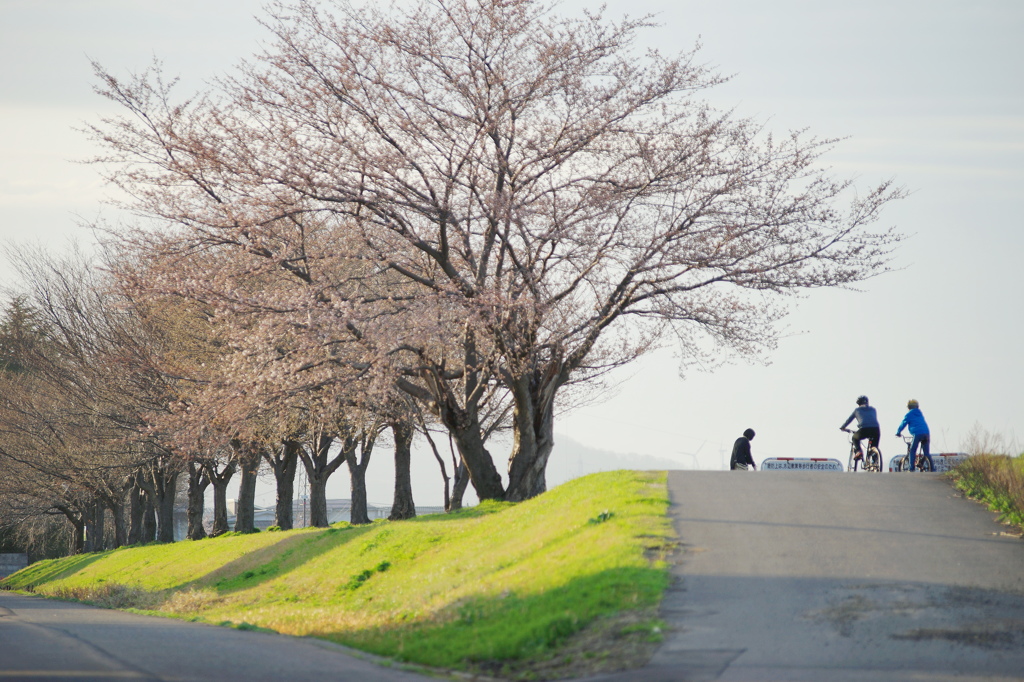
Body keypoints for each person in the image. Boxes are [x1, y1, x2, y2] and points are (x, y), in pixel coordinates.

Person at [839, 395, 881, 461]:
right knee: (874, 446)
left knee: (854, 438)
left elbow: (849, 420)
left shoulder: (857, 410)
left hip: (864, 429)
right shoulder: (873, 409)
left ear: (858, 403)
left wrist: (843, 427)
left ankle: (859, 452)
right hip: (876, 429)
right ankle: (875, 461)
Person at [896, 399, 932, 471]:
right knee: (926, 453)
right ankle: (932, 468)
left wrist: (898, 432)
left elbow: (903, 424)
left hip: (917, 434)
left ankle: (911, 468)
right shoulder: (920, 414)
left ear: (909, 407)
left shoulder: (909, 414)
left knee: (912, 450)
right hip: (926, 433)